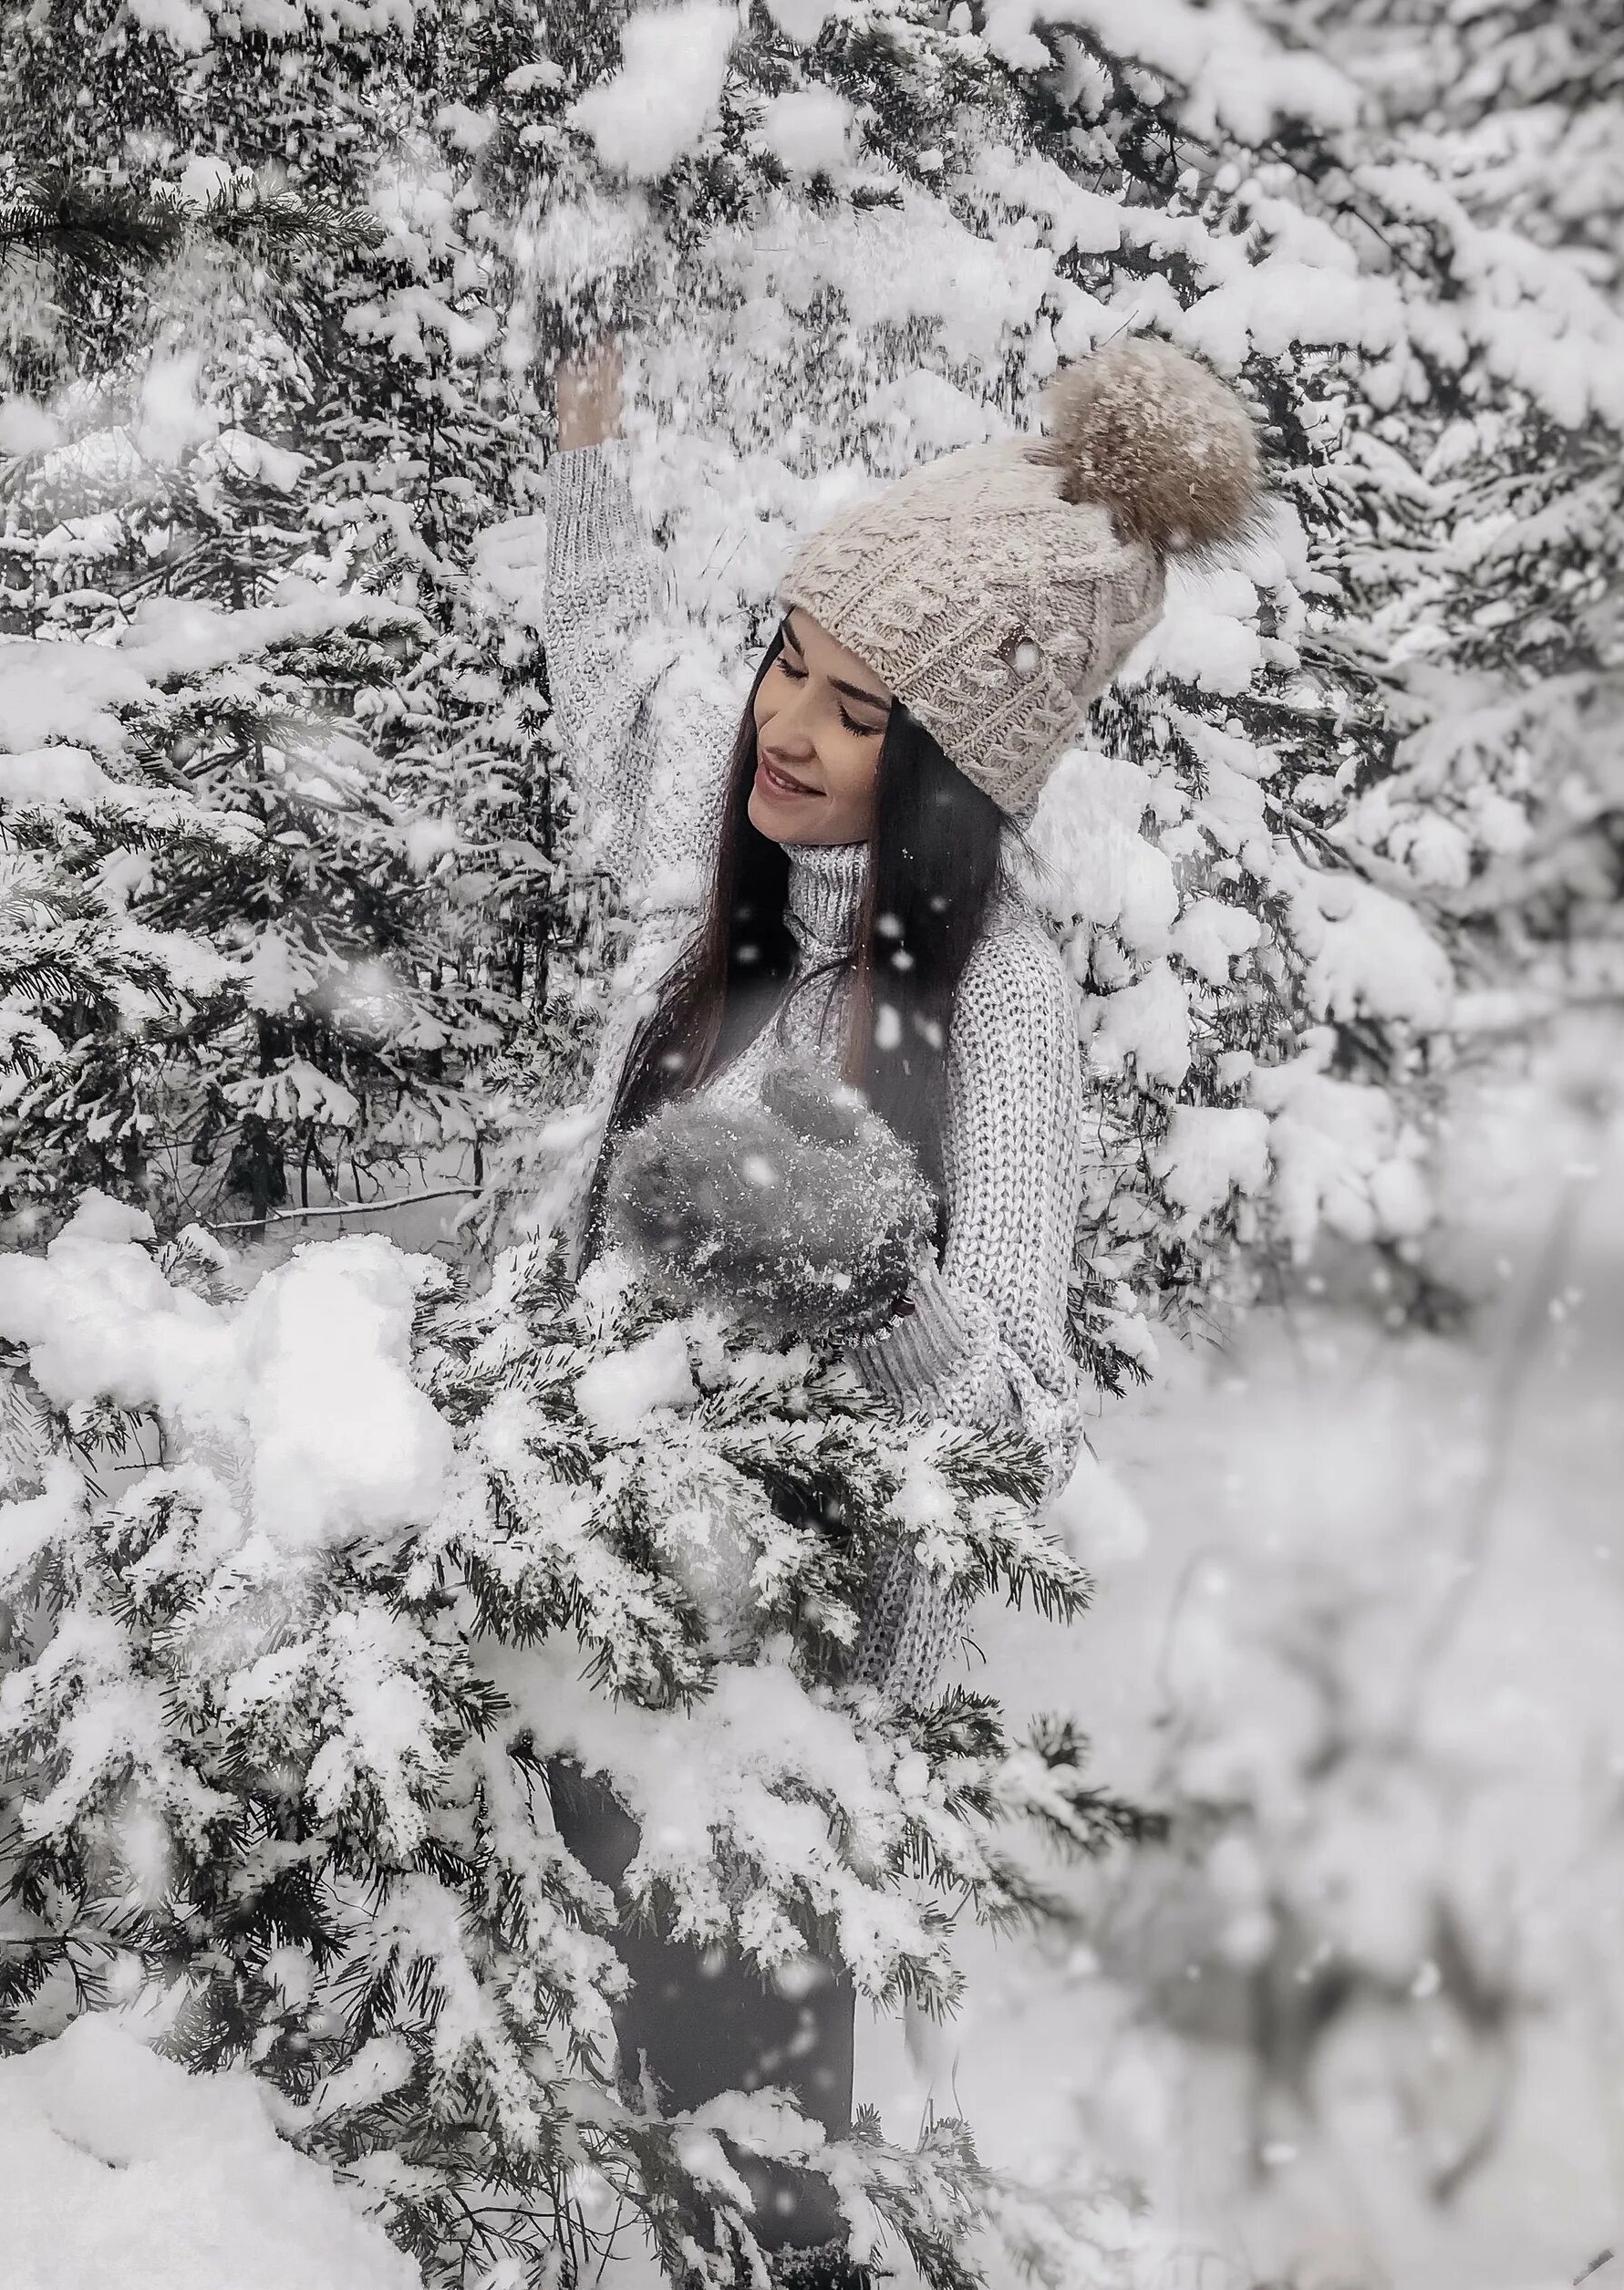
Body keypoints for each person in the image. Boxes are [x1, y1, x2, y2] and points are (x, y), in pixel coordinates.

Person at [537, 325, 1262, 2279]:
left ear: (946, 761)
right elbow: (616, 699)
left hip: (774, 1732)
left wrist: (869, 1280)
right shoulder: (733, 906)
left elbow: (1019, 1432)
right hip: (565, 1642)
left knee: (729, 2199)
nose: (784, 725)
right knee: (541, 2162)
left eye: (855, 709)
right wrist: (589, 447)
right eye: (789, 660)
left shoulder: (991, 1004)